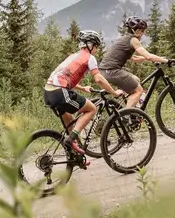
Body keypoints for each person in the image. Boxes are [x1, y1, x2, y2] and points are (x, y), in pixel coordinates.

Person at [43, 29, 127, 164]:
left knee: (70, 123)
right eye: (96, 46)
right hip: (60, 92)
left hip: (49, 91)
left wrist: (83, 88)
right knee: (91, 109)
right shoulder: (89, 58)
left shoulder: (73, 56)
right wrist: (114, 92)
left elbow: (62, 76)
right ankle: (70, 140)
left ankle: (76, 157)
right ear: (90, 45)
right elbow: (99, 79)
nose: (97, 50)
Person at [99, 16, 175, 109]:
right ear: (137, 31)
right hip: (112, 71)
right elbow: (148, 56)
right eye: (142, 31)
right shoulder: (133, 40)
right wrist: (166, 61)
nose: (143, 33)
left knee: (136, 80)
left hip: (104, 71)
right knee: (138, 91)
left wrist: (149, 58)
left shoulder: (125, 39)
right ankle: (127, 116)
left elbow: (134, 58)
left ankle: (132, 107)